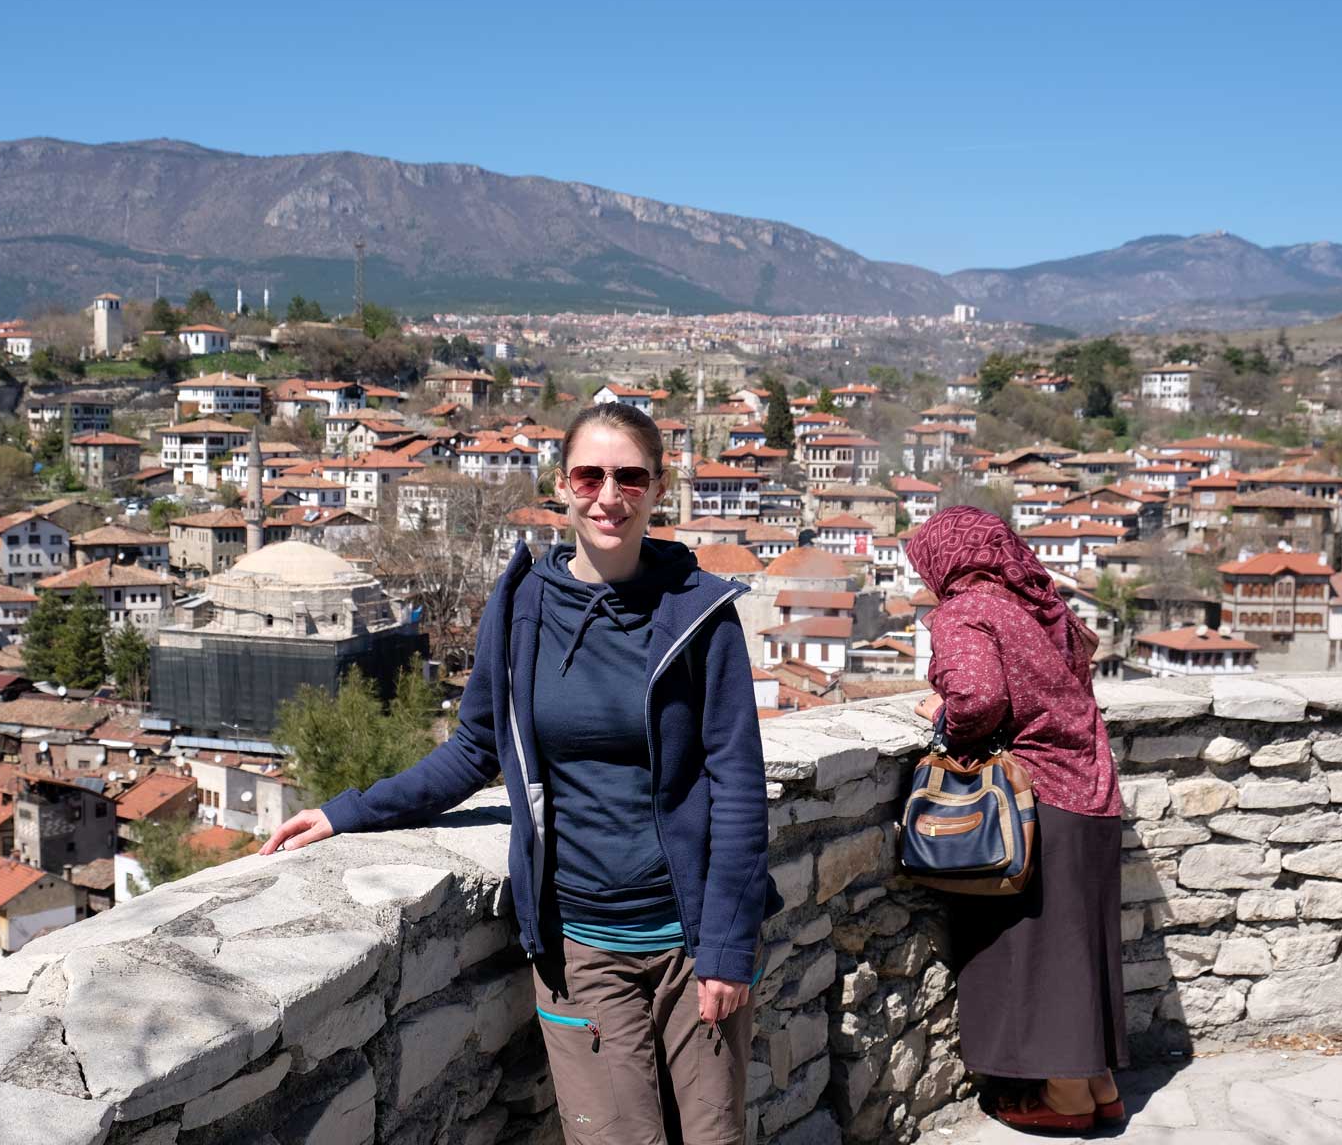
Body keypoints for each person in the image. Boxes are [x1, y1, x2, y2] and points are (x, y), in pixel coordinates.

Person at [262, 402, 778, 1143]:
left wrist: (726, 951)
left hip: (692, 942)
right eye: (589, 475)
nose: (609, 495)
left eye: (630, 477)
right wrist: (349, 811)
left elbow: (736, 784)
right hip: (583, 944)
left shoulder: (700, 616)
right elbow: (475, 749)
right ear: (562, 487)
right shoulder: (524, 608)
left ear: (658, 489)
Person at [904, 505, 1127, 1134]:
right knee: (1081, 945)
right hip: (1093, 788)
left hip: (1034, 796)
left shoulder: (966, 611)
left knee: (1038, 950)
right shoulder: (1042, 602)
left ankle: (1064, 1098)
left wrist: (943, 716)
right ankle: (1097, 1083)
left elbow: (978, 697)